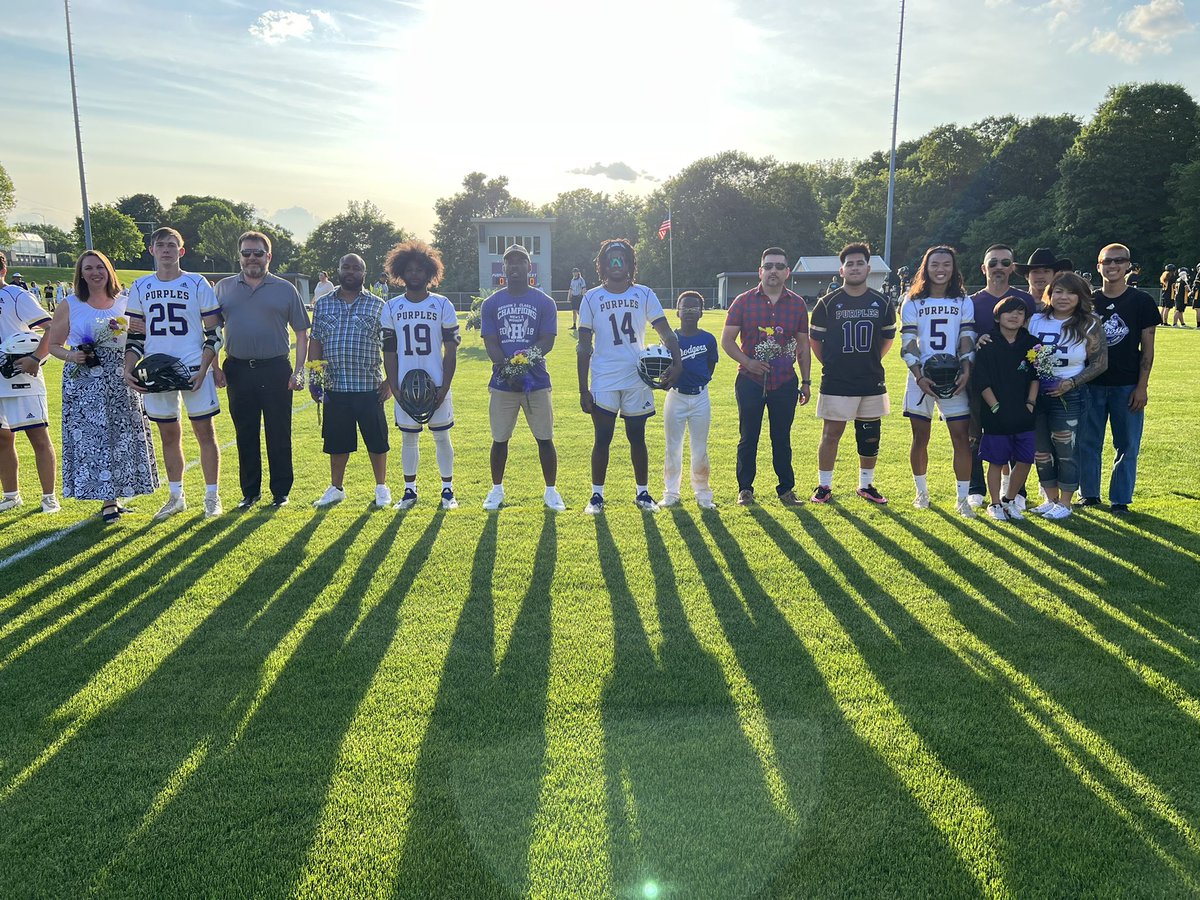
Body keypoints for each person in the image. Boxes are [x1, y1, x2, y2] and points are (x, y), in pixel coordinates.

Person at [43, 250, 159, 522]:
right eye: (89, 268)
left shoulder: (125, 302)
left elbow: (141, 338)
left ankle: (118, 493)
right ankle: (108, 500)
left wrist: (140, 328)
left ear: (109, 271)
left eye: (100, 267)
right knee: (95, 438)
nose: (95, 273)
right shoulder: (71, 304)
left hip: (121, 376)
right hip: (85, 381)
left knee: (122, 436)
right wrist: (72, 356)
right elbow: (54, 345)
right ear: (81, 274)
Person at [124, 226, 224, 520]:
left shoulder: (196, 283)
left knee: (205, 432)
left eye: (171, 245)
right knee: (168, 434)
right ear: (151, 250)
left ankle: (212, 496)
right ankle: (176, 496)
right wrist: (129, 368)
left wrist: (205, 368)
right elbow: (135, 336)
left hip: (193, 368)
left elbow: (214, 332)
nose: (166, 250)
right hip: (156, 370)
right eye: (160, 245)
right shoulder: (140, 286)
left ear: (181, 251)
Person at [577, 238, 682, 514]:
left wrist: (678, 363)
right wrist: (583, 389)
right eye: (611, 258)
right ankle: (596, 496)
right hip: (604, 377)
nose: (616, 263)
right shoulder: (591, 297)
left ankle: (642, 493)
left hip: (637, 376)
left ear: (630, 264)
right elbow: (583, 345)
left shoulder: (644, 294)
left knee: (637, 437)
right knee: (602, 438)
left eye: (621, 258)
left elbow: (666, 332)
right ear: (602, 264)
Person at [215, 231, 309, 509]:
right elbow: (212, 331)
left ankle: (280, 492)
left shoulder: (285, 289)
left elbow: (302, 333)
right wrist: (214, 367)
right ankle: (250, 492)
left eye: (258, 253)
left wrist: (299, 371)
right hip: (238, 369)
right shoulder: (223, 288)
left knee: (279, 433)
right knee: (245, 433)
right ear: (239, 256)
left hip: (275, 369)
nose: (252, 258)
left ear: (269, 256)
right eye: (246, 253)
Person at [721, 247, 812, 506]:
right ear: (760, 271)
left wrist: (806, 381)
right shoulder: (743, 301)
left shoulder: (797, 304)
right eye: (769, 266)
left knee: (781, 438)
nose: (774, 271)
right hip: (749, 381)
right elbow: (727, 341)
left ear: (787, 272)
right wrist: (748, 362)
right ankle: (745, 489)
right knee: (748, 437)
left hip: (784, 381)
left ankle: (786, 489)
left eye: (779, 266)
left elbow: (803, 347)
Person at [808, 242, 895, 505]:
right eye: (850, 264)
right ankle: (824, 485)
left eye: (860, 263)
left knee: (869, 434)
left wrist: (869, 361)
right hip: (837, 380)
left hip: (871, 378)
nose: (855, 268)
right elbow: (815, 342)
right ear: (842, 270)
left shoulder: (882, 302)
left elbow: (887, 340)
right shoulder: (827, 303)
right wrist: (834, 364)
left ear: (868, 268)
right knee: (831, 433)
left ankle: (866, 484)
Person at [1078, 244, 1161, 516]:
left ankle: (1120, 499)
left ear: (1128, 265)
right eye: (1107, 261)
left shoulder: (1141, 301)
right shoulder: (1088, 301)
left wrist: (1142, 386)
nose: (1113, 266)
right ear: (1098, 266)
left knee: (1127, 445)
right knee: (1087, 442)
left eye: (1119, 260)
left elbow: (1148, 349)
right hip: (1091, 383)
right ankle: (1089, 494)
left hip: (1126, 385)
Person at [480, 244, 564, 511]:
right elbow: (491, 342)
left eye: (520, 261)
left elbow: (547, 340)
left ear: (529, 267)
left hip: (536, 381)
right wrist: (507, 370)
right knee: (499, 439)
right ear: (503, 268)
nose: (515, 266)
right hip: (502, 383)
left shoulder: (545, 302)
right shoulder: (491, 303)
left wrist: (522, 365)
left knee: (545, 438)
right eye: (510, 262)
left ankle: (551, 491)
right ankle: (496, 489)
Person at [381, 240, 460, 510]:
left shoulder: (442, 304)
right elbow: (389, 352)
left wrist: (444, 387)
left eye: (420, 269)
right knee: (409, 437)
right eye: (409, 270)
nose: (414, 274)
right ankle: (409, 491)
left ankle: (447, 491)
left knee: (442, 436)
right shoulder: (392, 307)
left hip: (436, 381)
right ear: (401, 273)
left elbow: (451, 351)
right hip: (405, 383)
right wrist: (395, 387)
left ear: (429, 272)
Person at [309, 253, 391, 509]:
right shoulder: (323, 304)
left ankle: (381, 487)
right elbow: (316, 341)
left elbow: (391, 346)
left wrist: (390, 380)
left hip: (369, 386)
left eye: (356, 268)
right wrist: (315, 377)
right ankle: (336, 488)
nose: (351, 272)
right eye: (346, 267)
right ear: (339, 270)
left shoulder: (378, 305)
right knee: (336, 442)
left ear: (364, 273)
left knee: (377, 440)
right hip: (335, 386)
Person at [900, 245, 976, 516]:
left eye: (946, 264)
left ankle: (963, 499)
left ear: (954, 268)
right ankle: (921, 493)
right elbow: (908, 342)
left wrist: (966, 370)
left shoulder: (963, 301)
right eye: (935, 264)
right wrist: (919, 376)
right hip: (921, 376)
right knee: (920, 436)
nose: (940, 269)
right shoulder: (912, 301)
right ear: (926, 268)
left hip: (955, 376)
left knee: (961, 437)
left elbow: (966, 338)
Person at [1027, 271, 1108, 520]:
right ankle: (1050, 499)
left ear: (1081, 296)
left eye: (1071, 292)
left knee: (1066, 451)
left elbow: (1100, 363)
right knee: (1041, 451)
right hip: (1036, 394)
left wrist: (1071, 383)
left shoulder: (1089, 323)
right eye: (1059, 291)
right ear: (1049, 294)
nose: (1064, 297)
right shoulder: (1035, 319)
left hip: (1070, 396)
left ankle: (1065, 502)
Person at [966, 244, 1035, 507]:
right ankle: (976, 487)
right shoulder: (972, 302)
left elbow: (1029, 339)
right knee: (976, 433)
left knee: (1017, 431)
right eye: (993, 262)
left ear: (1012, 268)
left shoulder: (1024, 300)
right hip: (979, 379)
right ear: (983, 268)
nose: (999, 267)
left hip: (1016, 381)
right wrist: (976, 340)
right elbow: (962, 337)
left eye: (1005, 263)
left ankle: (1017, 491)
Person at [0, 251, 58, 513]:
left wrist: (36, 358)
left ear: (3, 271)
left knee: (38, 436)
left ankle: (49, 497)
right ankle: (11, 496)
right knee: (2, 439)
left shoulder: (16, 295)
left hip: (20, 377)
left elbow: (51, 326)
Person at [972, 296, 1039, 521]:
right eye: (1009, 312)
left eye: (1020, 313)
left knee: (1025, 459)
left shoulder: (1032, 343)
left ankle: (1009, 500)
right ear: (998, 317)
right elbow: (981, 380)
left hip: (1024, 412)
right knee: (997, 460)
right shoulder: (987, 343)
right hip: (996, 413)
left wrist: (1030, 403)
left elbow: (1036, 375)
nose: (1014, 316)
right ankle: (995, 504)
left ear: (1025, 319)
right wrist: (995, 407)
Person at [661, 291, 718, 509]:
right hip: (676, 396)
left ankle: (703, 493)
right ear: (677, 311)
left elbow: (710, 367)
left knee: (699, 448)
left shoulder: (708, 339)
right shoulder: (670, 339)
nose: (690, 312)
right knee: (673, 447)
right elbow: (663, 367)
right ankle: (671, 493)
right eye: (685, 308)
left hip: (700, 397)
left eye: (695, 308)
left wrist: (699, 382)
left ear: (701, 312)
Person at [568, 267, 587, 333]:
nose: (574, 273)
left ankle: (583, 323)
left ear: (578, 273)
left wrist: (583, 296)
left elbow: (583, 288)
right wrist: (569, 296)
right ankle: (574, 325)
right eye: (573, 272)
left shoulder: (581, 280)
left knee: (579, 311)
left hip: (579, 297)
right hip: (574, 297)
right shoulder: (572, 280)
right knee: (574, 311)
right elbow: (571, 289)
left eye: (575, 272)